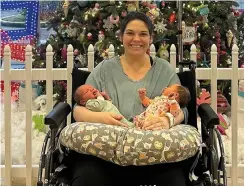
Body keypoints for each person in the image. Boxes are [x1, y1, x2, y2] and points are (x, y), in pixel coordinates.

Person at [71, 11, 189, 185]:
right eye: (130, 33)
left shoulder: (164, 70)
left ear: (151, 38)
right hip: (106, 156)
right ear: (121, 36)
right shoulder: (104, 69)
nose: (136, 39)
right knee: (86, 178)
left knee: (174, 181)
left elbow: (182, 110)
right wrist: (100, 117)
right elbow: (78, 109)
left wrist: (167, 121)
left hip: (154, 156)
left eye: (143, 34)